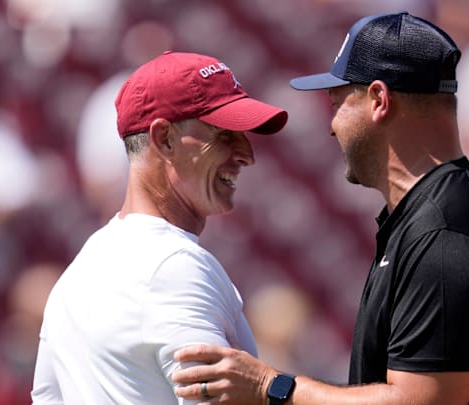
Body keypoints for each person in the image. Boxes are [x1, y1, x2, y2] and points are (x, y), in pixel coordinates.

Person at [172, 12, 469, 405]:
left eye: (338, 103)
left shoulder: (445, 232)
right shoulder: (429, 217)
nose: (332, 126)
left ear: (379, 100)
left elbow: (419, 402)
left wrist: (271, 388)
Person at [30, 51, 288, 404]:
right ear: (164, 138)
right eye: (224, 134)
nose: (246, 154)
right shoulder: (176, 267)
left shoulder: (77, 275)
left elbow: (46, 397)